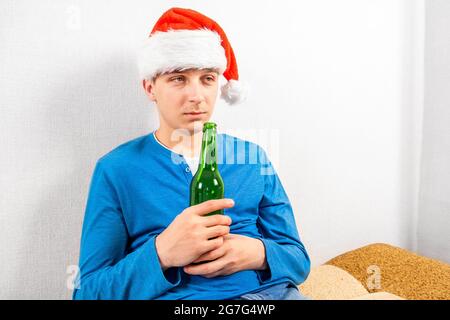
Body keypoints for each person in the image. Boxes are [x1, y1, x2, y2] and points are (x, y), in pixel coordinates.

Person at [72, 7, 310, 300]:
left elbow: (299, 261)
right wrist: (161, 253)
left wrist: (258, 253)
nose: (196, 96)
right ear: (150, 87)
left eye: (207, 78)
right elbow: (87, 293)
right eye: (178, 79)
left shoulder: (253, 157)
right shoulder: (116, 169)